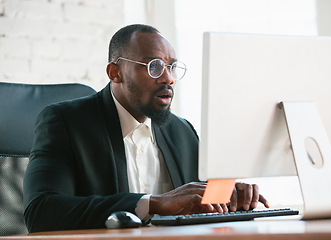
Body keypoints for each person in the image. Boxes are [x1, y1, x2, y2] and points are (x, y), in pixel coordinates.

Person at [23, 24, 269, 233]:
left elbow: (201, 203)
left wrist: (230, 196)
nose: (168, 78)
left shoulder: (182, 132)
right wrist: (152, 203)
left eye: (171, 67)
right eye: (154, 65)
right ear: (115, 72)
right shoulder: (66, 122)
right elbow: (41, 212)